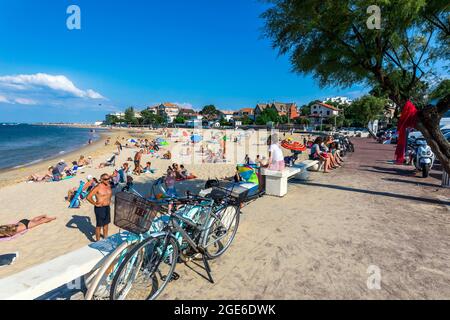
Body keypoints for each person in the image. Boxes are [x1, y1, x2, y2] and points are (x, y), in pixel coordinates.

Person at [86, 173, 113, 242]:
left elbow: (109, 195)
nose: (108, 180)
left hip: (107, 207)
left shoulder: (109, 185)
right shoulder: (98, 187)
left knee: (106, 224)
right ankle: (97, 241)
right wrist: (95, 203)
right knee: (99, 225)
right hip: (100, 208)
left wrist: (109, 201)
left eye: (108, 178)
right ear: (101, 180)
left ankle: (105, 238)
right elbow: (88, 197)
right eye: (106, 179)